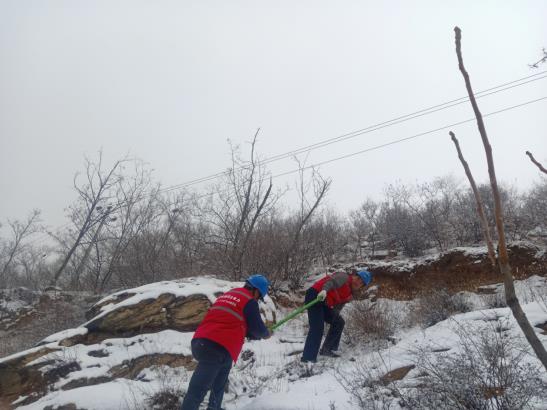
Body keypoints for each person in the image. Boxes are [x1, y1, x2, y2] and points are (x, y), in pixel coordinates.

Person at [181, 274, 271, 410]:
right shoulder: (249, 300)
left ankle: (214, 407)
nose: (258, 300)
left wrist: (250, 334)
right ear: (256, 291)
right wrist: (266, 334)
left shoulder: (228, 294)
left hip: (204, 342)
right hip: (216, 346)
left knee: (220, 381)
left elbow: (232, 320)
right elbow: (257, 328)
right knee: (197, 390)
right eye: (259, 297)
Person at [301, 269, 372, 363]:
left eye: (361, 283)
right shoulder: (344, 277)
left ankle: (327, 349)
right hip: (316, 295)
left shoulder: (350, 294)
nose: (358, 282)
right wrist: (324, 291)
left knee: (339, 322)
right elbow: (330, 283)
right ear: (354, 276)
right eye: (358, 278)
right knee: (317, 327)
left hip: (324, 303)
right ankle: (308, 359)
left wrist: (334, 315)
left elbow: (338, 305)